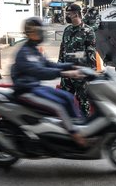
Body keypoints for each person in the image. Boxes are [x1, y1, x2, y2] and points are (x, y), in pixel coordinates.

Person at [11, 17, 86, 146]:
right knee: (59, 106)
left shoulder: (34, 49)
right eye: (39, 31)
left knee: (68, 97)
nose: (42, 34)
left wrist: (71, 66)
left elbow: (48, 64)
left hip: (36, 87)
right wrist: (64, 73)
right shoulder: (24, 53)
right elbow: (40, 71)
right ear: (30, 33)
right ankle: (74, 134)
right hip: (26, 91)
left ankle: (80, 127)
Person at [58, 4, 96, 118]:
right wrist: (59, 65)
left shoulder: (88, 31)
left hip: (80, 73)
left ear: (76, 14)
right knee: (64, 101)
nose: (67, 16)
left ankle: (85, 127)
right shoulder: (67, 30)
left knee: (83, 103)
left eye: (69, 14)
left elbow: (91, 54)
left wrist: (91, 72)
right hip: (66, 73)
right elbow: (62, 48)